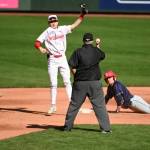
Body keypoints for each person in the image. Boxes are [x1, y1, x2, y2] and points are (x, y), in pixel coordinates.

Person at [34, 7, 88, 114]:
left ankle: (74, 105)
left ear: (58, 21)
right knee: (53, 83)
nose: (53, 23)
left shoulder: (63, 29)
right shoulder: (47, 32)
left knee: (67, 81)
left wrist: (82, 15)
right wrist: (40, 48)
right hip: (52, 60)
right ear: (49, 23)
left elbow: (74, 25)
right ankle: (53, 106)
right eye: (51, 21)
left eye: (55, 21)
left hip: (62, 58)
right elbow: (37, 42)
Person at [64, 33, 111, 133]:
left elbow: (72, 66)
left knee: (74, 105)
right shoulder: (96, 51)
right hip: (94, 83)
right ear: (92, 41)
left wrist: (76, 76)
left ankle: (67, 128)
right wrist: (98, 47)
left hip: (80, 83)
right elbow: (103, 55)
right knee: (100, 106)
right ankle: (105, 129)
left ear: (83, 41)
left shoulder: (78, 51)